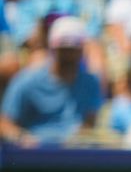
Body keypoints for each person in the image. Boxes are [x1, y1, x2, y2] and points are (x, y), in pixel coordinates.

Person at [0, 16, 102, 146]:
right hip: (34, 157)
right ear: (52, 48)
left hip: (75, 157)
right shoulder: (27, 81)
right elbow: (4, 123)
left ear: (82, 50)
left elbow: (89, 123)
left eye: (73, 48)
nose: (69, 54)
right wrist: (21, 138)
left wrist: (80, 139)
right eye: (64, 48)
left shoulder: (91, 82)